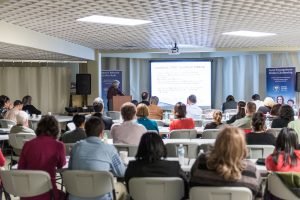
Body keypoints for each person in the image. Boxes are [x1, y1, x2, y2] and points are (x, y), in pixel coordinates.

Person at [190, 127, 262, 197]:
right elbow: (259, 196)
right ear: (242, 147)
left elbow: (190, 186)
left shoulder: (200, 163)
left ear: (217, 143)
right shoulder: (251, 170)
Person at [69, 116, 127, 200]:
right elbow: (121, 173)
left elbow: (71, 169)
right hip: (102, 197)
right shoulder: (109, 149)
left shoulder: (75, 147)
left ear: (85, 131)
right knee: (122, 187)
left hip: (76, 196)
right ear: (102, 133)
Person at [125, 132, 189, 198]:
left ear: (140, 148)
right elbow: (186, 189)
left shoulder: (132, 167)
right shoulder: (175, 167)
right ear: (161, 147)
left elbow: (129, 190)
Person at [18, 115, 66, 200]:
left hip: (28, 193)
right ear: (56, 130)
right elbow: (61, 165)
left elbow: (20, 169)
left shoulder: (27, 144)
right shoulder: (59, 146)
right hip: (49, 193)